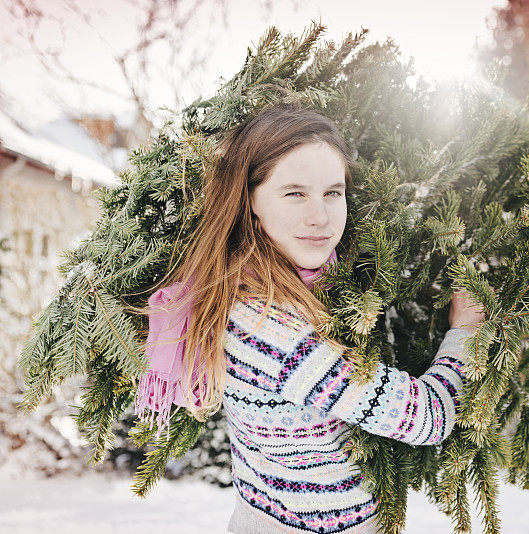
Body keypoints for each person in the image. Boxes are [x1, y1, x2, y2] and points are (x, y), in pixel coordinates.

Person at [135, 103, 487, 534]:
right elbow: (427, 417)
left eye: (332, 192)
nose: (319, 217)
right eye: (294, 193)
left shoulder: (285, 282)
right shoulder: (270, 331)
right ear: (251, 201)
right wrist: (464, 332)